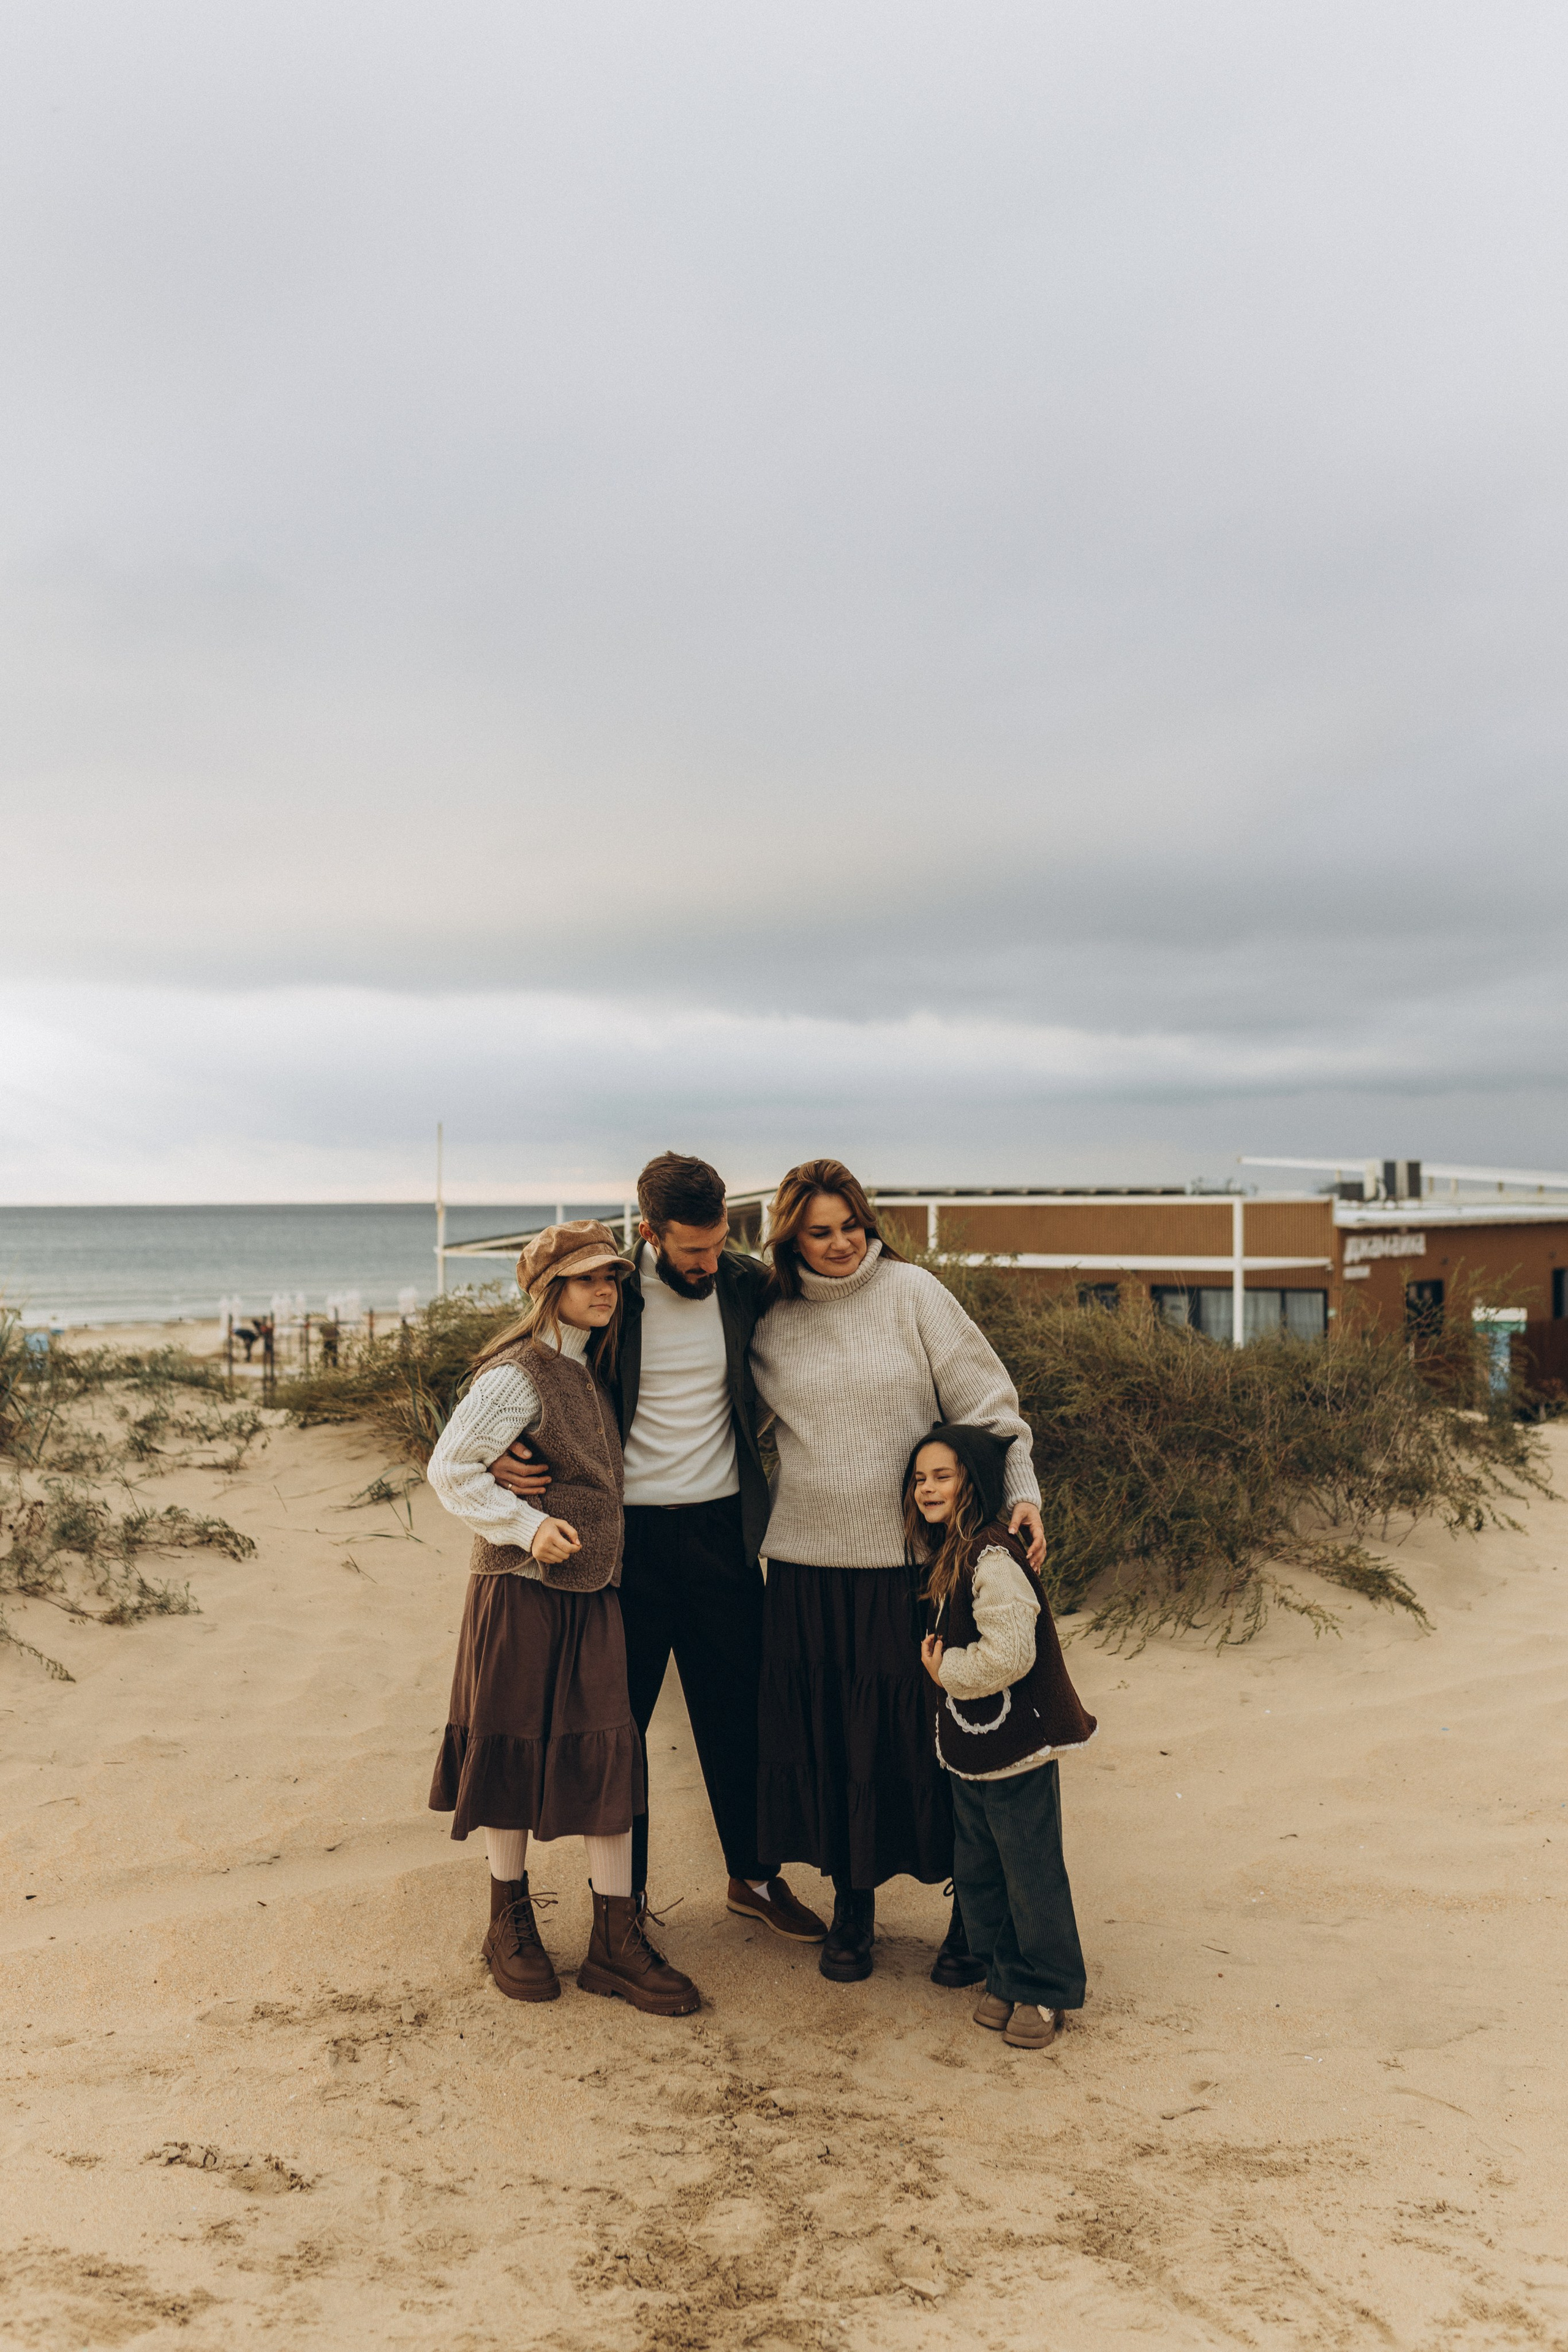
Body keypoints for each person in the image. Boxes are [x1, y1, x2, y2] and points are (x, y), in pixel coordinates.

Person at [488, 1156, 826, 1946]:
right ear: (648, 1233)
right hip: (625, 1543)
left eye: (719, 1242)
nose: (709, 1261)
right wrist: (497, 1447)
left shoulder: (742, 1285)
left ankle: (754, 1877)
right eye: (692, 1250)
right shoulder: (610, 1294)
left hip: (722, 1534)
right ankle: (624, 1902)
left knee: (740, 1717)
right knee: (621, 1727)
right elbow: (521, 1360)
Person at [749, 1158, 1047, 1984]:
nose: (841, 1243)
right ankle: (853, 1908)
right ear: (790, 1238)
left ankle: (969, 1915)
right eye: (820, 1231)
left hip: (913, 1567)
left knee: (929, 1744)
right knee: (835, 1745)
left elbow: (990, 1409)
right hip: (806, 1570)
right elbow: (716, 1420)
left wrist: (1021, 1495)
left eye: (851, 1225)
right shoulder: (771, 1317)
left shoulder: (914, 1294)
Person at [426, 1219, 701, 2018]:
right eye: (586, 1280)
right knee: (510, 1746)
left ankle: (614, 1939)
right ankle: (507, 1924)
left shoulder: (590, 1366)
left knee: (607, 1748)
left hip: (593, 1590)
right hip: (520, 1589)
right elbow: (450, 1467)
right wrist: (525, 1525)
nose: (604, 1291)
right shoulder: (518, 1374)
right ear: (550, 1291)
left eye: (611, 1277)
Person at [909, 1423, 1096, 2050]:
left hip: (1016, 1750)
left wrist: (948, 1671)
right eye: (919, 1478)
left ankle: (1047, 1985)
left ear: (974, 1482)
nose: (927, 1488)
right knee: (981, 1872)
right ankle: (1006, 1974)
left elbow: (1012, 1652)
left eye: (942, 1476)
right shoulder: (953, 1551)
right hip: (973, 1753)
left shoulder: (992, 1557)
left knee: (1030, 1872)